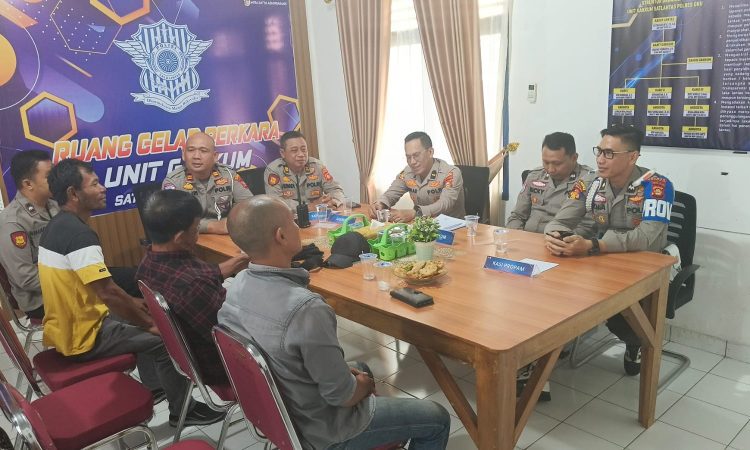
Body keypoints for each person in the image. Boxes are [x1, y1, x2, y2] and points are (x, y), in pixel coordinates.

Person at [218, 196, 450, 449]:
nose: (297, 226)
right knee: (436, 417)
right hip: (321, 430)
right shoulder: (305, 309)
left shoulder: (236, 285)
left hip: (278, 413)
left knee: (361, 367)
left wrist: (355, 381)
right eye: (293, 222)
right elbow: (343, 396)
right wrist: (363, 386)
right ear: (281, 236)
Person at [38, 158, 225, 427]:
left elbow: (106, 289)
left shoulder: (58, 225)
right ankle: (183, 411)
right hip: (84, 335)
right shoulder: (79, 237)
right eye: (95, 184)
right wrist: (149, 324)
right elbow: (108, 294)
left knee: (141, 314)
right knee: (165, 340)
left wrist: (136, 306)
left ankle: (155, 388)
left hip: (68, 325)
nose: (103, 188)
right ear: (73, 193)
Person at [544, 125, 675, 375]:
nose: (600, 159)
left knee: (619, 313)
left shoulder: (657, 186)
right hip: (601, 260)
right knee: (555, 287)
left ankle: (635, 341)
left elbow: (644, 238)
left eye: (609, 154)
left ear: (632, 156)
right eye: (599, 151)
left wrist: (593, 245)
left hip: (643, 265)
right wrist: (556, 238)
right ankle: (550, 346)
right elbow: (559, 221)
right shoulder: (589, 183)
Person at [136, 190, 249, 386]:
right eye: (196, 228)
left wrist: (242, 258)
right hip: (224, 366)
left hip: (196, 354)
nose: (198, 232)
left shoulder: (150, 262)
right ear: (180, 237)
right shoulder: (191, 285)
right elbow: (232, 337)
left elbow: (208, 273)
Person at [0, 150, 58, 320]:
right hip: (41, 300)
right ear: (28, 183)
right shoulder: (12, 222)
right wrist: (72, 281)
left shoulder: (55, 206)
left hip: (68, 284)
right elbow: (25, 278)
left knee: (119, 282)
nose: (56, 179)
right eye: (49, 176)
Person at [163, 132, 253, 234]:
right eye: (191, 150)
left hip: (226, 235)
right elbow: (172, 220)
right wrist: (211, 226)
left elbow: (249, 207)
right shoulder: (173, 182)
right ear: (183, 154)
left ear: (215, 156)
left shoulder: (229, 175)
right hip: (189, 237)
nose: (196, 156)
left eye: (203, 151)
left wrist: (236, 221)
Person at [506, 132, 593, 234]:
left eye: (557, 163)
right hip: (526, 237)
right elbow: (517, 216)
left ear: (574, 158)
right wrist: (519, 237)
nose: (551, 169)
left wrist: (560, 239)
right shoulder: (535, 176)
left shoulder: (589, 181)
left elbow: (587, 227)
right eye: (546, 162)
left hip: (561, 240)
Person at [370, 131, 465, 222]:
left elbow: (445, 203)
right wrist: (380, 203)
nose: (412, 162)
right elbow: (391, 193)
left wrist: (416, 213)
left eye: (416, 155)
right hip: (420, 226)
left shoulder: (451, 172)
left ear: (430, 152)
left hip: (453, 228)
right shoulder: (407, 172)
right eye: (408, 157)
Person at [264, 130, 346, 210]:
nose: (301, 154)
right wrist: (309, 207)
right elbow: (275, 202)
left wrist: (333, 202)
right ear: (282, 153)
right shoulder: (274, 170)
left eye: (304, 149)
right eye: (294, 150)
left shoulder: (317, 166)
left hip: (318, 215)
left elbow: (335, 189)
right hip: (290, 217)